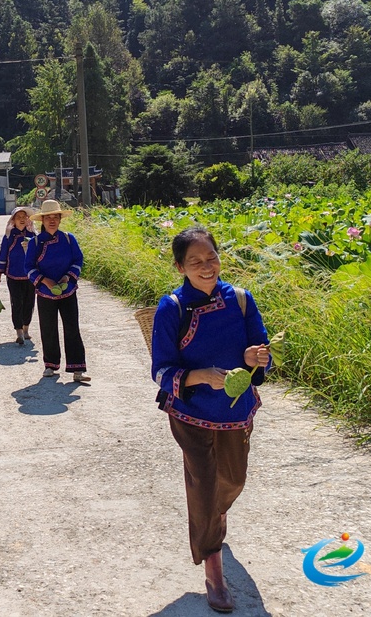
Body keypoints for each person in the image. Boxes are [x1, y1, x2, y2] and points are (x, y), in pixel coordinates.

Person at [150, 226, 271, 613]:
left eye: (211, 258)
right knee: (203, 484)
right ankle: (213, 566)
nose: (206, 267)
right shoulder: (171, 307)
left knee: (233, 480)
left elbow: (261, 348)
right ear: (180, 266)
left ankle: (214, 519)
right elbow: (160, 370)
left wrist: (256, 358)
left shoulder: (239, 299)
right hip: (190, 412)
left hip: (235, 411)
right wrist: (200, 376)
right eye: (195, 262)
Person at [25, 199, 89, 384]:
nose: (52, 221)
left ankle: (77, 369)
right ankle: (50, 365)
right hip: (45, 292)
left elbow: (78, 260)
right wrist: (45, 280)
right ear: (42, 221)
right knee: (48, 329)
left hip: (68, 290)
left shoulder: (69, 239)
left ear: (60, 219)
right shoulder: (35, 242)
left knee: (72, 328)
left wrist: (67, 277)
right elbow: (28, 268)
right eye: (48, 218)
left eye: (55, 217)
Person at [0, 206, 36, 345]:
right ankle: (19, 331)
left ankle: (26, 329)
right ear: (13, 220)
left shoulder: (32, 235)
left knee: (29, 303)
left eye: (24, 217)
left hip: (30, 276)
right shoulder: (9, 236)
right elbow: (3, 254)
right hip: (13, 275)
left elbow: (40, 254)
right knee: (16, 303)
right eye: (19, 217)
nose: (22, 219)